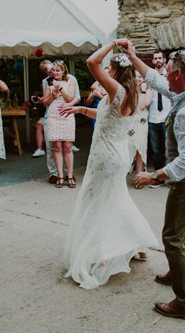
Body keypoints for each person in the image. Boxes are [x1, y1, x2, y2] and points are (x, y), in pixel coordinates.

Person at [129, 43, 185, 322]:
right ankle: (180, 271)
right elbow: (156, 81)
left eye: (167, 71)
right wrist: (133, 57)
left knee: (172, 236)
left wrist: (153, 175)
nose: (163, 75)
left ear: (178, 75)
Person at [60, 40, 157, 288]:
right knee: (116, 200)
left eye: (109, 68)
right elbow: (107, 117)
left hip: (105, 158)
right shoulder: (130, 94)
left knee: (98, 203)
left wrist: (113, 43)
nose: (106, 71)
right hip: (115, 156)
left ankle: (101, 254)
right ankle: (139, 243)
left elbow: (91, 62)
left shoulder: (117, 90)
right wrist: (82, 110)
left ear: (113, 71)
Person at [43, 60, 77, 188]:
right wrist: (52, 95)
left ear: (63, 70)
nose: (55, 73)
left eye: (57, 70)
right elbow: (45, 103)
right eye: (53, 71)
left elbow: (70, 98)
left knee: (68, 146)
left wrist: (60, 89)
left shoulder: (71, 81)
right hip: (54, 114)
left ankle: (70, 175)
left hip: (67, 113)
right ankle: (60, 176)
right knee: (57, 147)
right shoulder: (49, 82)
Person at [147, 50, 171, 188]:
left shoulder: (170, 76)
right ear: (152, 61)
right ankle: (159, 178)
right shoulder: (150, 78)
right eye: (155, 58)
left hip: (167, 118)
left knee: (169, 149)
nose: (157, 60)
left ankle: (171, 177)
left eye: (159, 58)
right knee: (156, 151)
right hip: (153, 117)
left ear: (164, 60)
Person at [127, 71, 152, 174]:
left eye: (140, 77)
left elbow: (143, 105)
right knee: (128, 146)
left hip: (142, 123)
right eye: (136, 77)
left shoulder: (148, 90)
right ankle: (124, 173)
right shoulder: (129, 91)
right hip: (130, 123)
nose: (138, 79)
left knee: (140, 148)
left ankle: (139, 174)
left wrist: (142, 91)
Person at [31, 60, 53, 159]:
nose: (52, 72)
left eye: (52, 69)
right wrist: (39, 100)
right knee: (39, 126)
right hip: (49, 113)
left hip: (62, 111)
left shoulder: (68, 78)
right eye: (48, 71)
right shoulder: (46, 81)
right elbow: (45, 98)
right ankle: (40, 149)